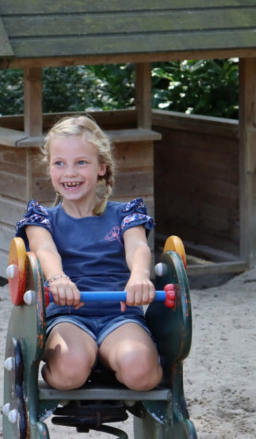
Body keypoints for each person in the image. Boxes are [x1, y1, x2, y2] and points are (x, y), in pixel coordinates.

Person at [15, 115, 162, 392]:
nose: (69, 172)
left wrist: (140, 276)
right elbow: (44, 249)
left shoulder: (125, 214)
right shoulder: (42, 219)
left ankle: (110, 362)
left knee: (141, 372)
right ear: (50, 169)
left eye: (81, 162)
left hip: (119, 313)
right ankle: (74, 363)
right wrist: (58, 279)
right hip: (68, 315)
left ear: (101, 168)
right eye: (60, 163)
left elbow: (137, 247)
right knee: (70, 370)